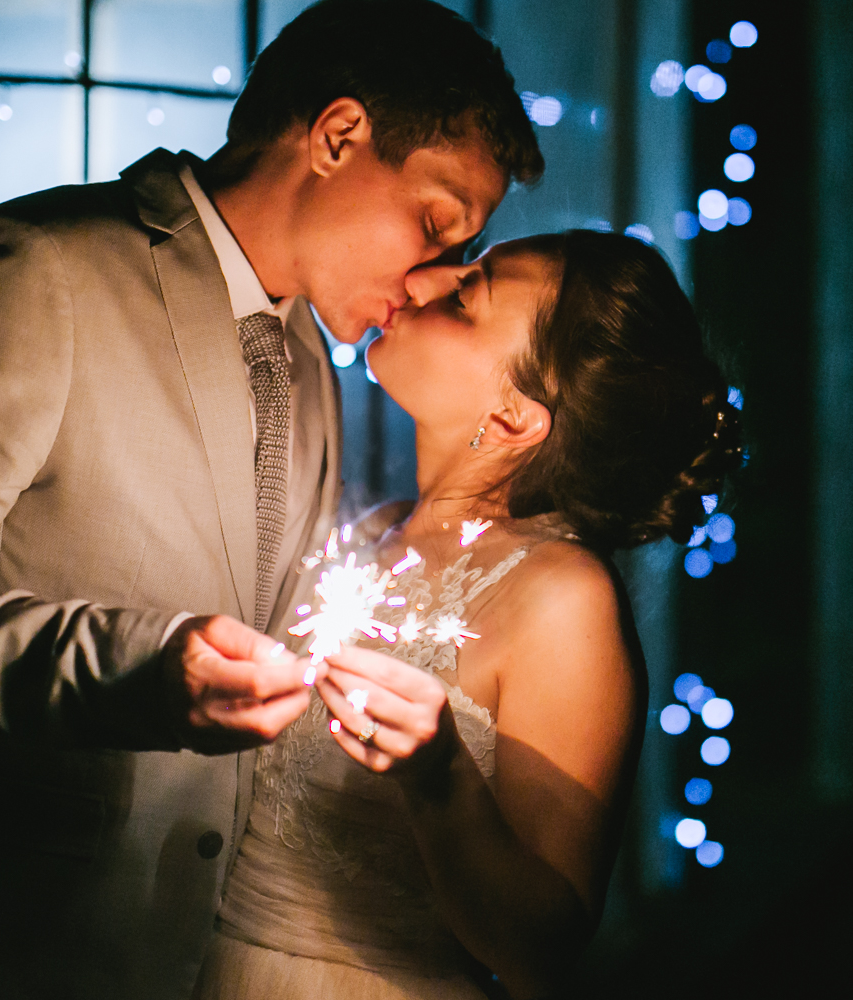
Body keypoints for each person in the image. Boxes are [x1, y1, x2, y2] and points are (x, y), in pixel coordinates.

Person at [0, 3, 542, 998]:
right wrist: (143, 671)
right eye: (434, 220)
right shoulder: (38, 267)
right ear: (337, 136)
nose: (433, 274)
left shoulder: (311, 354)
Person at [194, 230, 744, 999]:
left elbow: (541, 951)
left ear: (515, 417)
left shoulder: (564, 598)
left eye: (467, 294)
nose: (422, 280)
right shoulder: (365, 530)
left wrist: (439, 772)